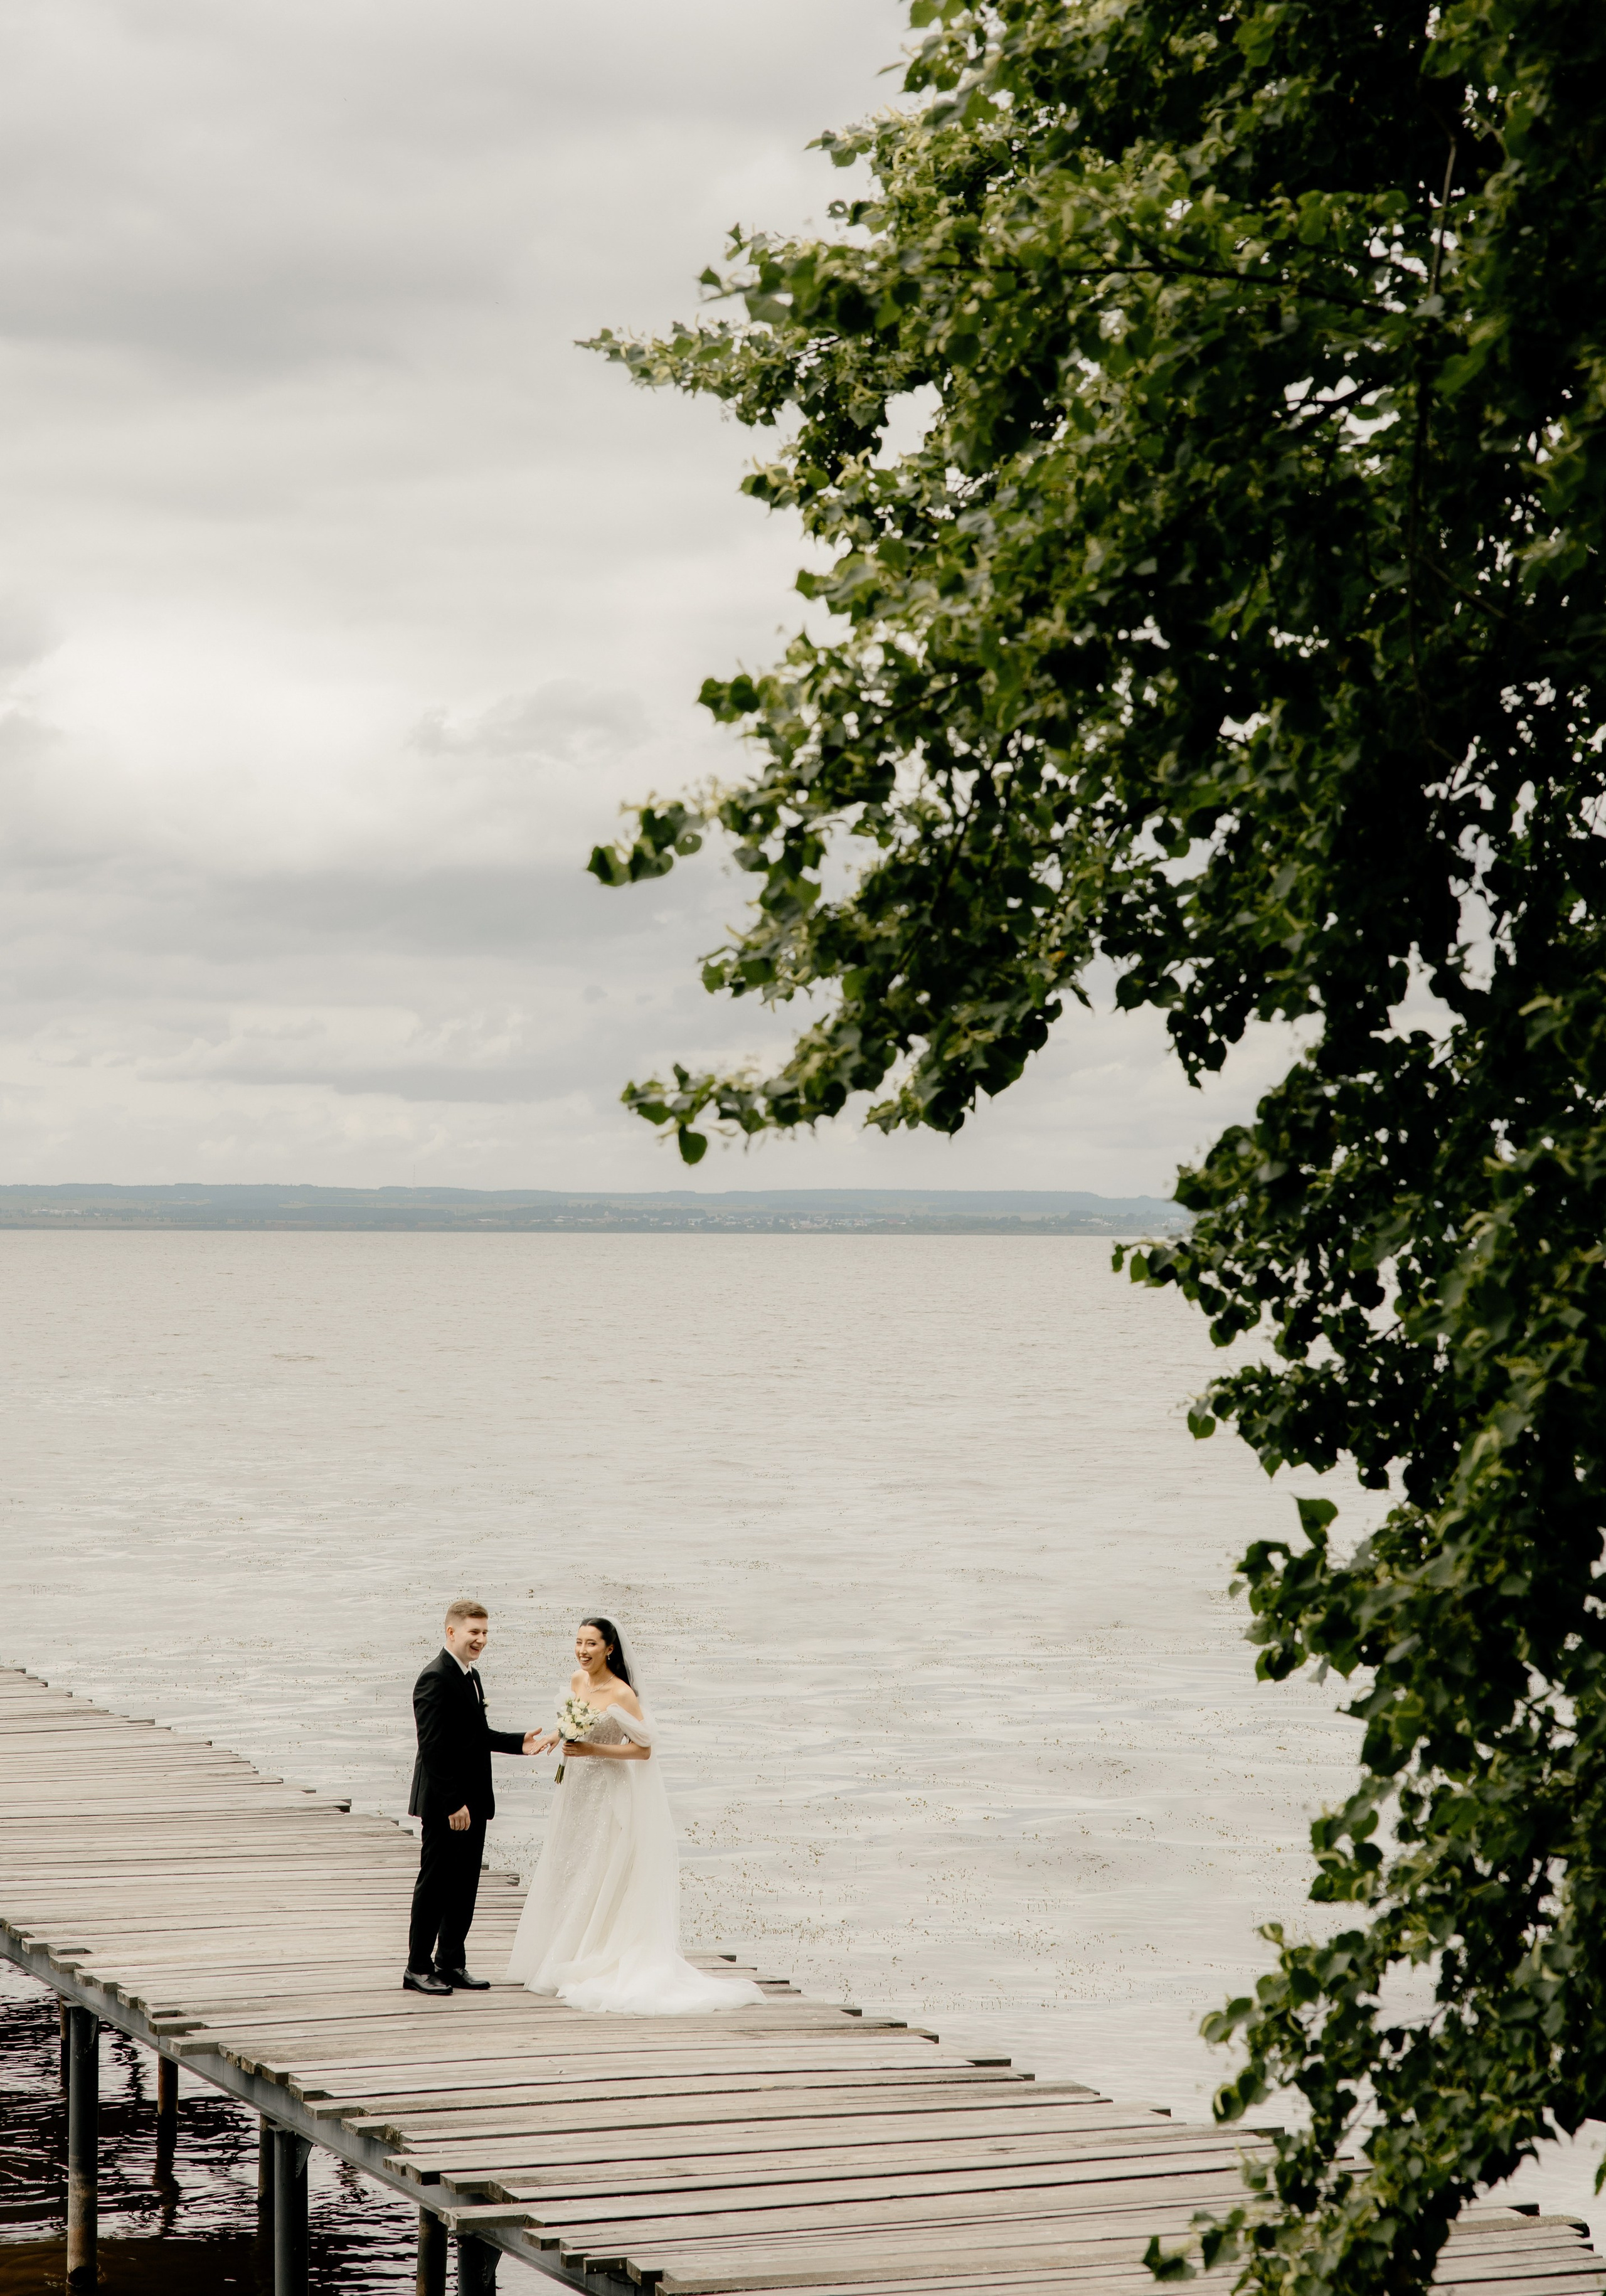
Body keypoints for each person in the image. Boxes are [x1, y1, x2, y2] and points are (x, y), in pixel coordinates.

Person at [506, 1617, 766, 2014]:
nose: (583, 1650)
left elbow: (643, 1750)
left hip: (609, 1790)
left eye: (591, 1643)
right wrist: (557, 1736)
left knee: (603, 1865)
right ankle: (563, 1949)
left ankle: (599, 1950)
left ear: (609, 1649)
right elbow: (573, 1719)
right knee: (572, 1864)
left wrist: (594, 1751)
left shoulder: (623, 1694)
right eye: (578, 1642)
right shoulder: (579, 1680)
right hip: (575, 1791)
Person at [405, 1598, 555, 1996]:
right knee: (435, 1883)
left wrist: (518, 1743)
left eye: (485, 1632)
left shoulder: (471, 1675)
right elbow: (433, 1748)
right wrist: (453, 1803)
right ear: (451, 1631)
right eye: (474, 1632)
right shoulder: (435, 1677)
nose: (481, 1640)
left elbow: (474, 1736)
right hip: (446, 1803)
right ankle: (418, 1967)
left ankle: (451, 1962)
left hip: (474, 1801)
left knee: (465, 1884)